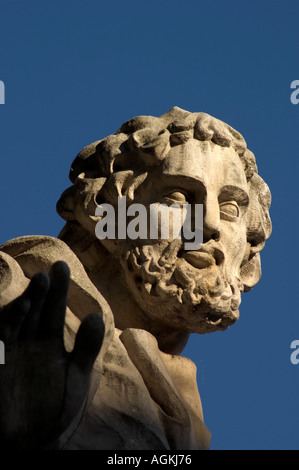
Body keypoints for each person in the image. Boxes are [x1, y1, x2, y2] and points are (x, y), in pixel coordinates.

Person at [0, 107, 271, 450]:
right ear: (110, 213)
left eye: (231, 208)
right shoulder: (14, 301)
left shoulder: (180, 399)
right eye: (179, 197)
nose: (211, 223)